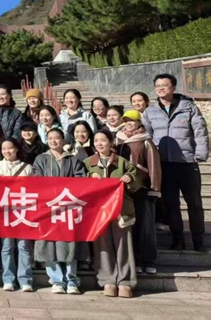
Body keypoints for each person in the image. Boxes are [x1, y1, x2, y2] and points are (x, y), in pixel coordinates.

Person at [143, 73, 209, 252]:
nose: (160, 88)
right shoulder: (150, 112)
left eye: (164, 85)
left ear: (173, 87)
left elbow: (200, 131)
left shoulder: (188, 107)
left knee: (194, 203)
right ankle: (178, 238)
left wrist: (200, 153)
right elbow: (147, 137)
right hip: (164, 164)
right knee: (171, 204)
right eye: (157, 86)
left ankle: (198, 240)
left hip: (187, 162)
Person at [84, 130, 139, 298]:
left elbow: (137, 184)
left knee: (124, 246)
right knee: (102, 246)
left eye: (103, 140)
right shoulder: (88, 163)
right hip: (98, 211)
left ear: (111, 142)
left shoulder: (122, 162)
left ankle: (125, 281)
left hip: (121, 210)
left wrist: (130, 178)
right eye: (96, 141)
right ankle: (107, 280)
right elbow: (78, 184)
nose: (99, 144)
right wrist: (89, 176)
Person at [32, 128, 88, 294]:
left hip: (67, 208)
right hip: (47, 208)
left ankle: (71, 280)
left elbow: (80, 180)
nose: (53, 141)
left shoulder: (73, 160)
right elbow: (36, 179)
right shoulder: (41, 159)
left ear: (63, 140)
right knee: (49, 243)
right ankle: (56, 280)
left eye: (57, 138)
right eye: (50, 138)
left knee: (69, 243)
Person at [117, 110, 161, 275]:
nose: (129, 123)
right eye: (126, 120)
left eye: (132, 120)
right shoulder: (118, 139)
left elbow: (154, 166)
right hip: (125, 189)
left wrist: (154, 189)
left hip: (143, 188)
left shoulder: (145, 141)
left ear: (139, 122)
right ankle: (134, 260)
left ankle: (149, 260)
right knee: (130, 226)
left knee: (145, 226)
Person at [0, 138, 34, 292]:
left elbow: (33, 189)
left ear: (16, 149)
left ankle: (25, 280)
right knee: (7, 246)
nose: (7, 151)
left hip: (23, 211)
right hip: (5, 212)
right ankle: (8, 279)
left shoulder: (27, 168)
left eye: (10, 148)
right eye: (3, 149)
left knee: (23, 246)